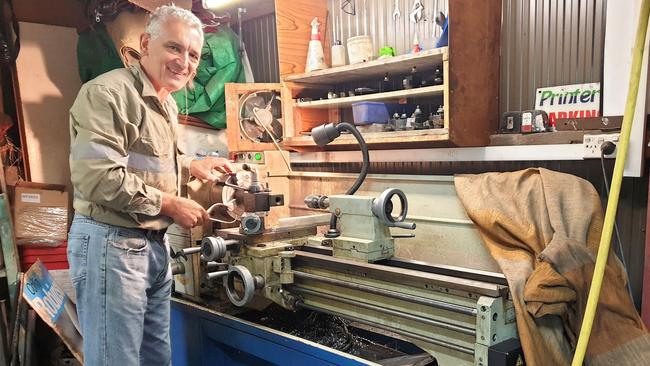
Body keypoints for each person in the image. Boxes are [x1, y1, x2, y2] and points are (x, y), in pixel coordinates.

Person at [67, 5, 231, 365]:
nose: (183, 62)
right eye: (174, 47)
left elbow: (147, 164)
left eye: (192, 54)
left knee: (156, 358)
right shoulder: (108, 94)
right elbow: (97, 176)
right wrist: (170, 205)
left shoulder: (166, 104)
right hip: (111, 243)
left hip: (151, 247)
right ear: (146, 44)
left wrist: (193, 165)